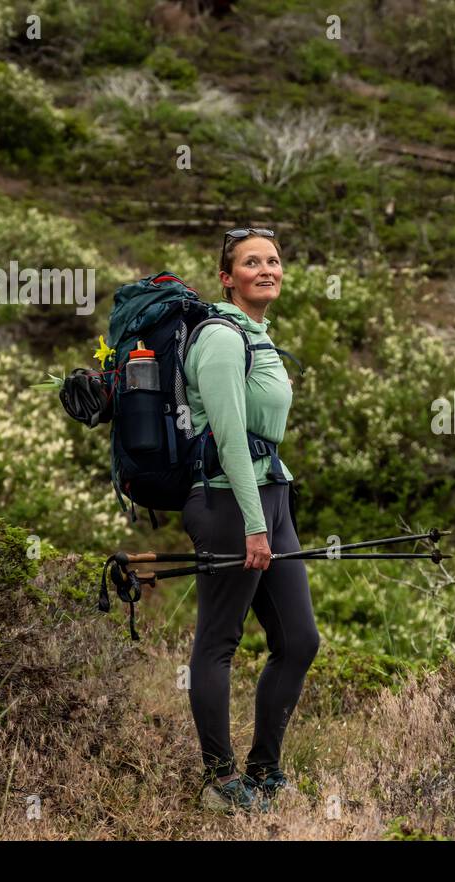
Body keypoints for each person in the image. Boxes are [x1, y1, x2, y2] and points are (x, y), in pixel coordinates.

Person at [181, 227, 319, 813]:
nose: (267, 269)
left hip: (271, 496)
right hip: (229, 503)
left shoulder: (257, 334)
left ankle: (264, 772)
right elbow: (232, 440)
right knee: (220, 640)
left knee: (299, 640)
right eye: (252, 262)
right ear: (227, 276)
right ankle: (219, 782)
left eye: (274, 260)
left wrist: (270, 512)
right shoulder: (219, 336)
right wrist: (252, 524)